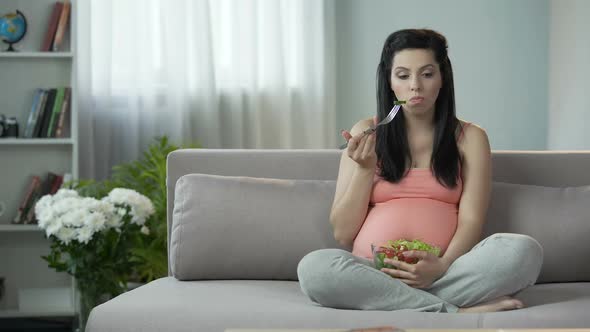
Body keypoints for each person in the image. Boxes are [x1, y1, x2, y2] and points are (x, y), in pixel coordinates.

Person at [296, 29, 543, 313]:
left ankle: (405, 302)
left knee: (524, 251)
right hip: (373, 272)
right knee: (315, 268)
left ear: (442, 79)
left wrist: (442, 265)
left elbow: (471, 221)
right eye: (402, 75)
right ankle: (452, 311)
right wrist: (365, 170)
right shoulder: (366, 132)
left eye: (426, 74)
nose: (415, 86)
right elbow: (342, 233)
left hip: (446, 271)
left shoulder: (470, 137)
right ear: (389, 81)